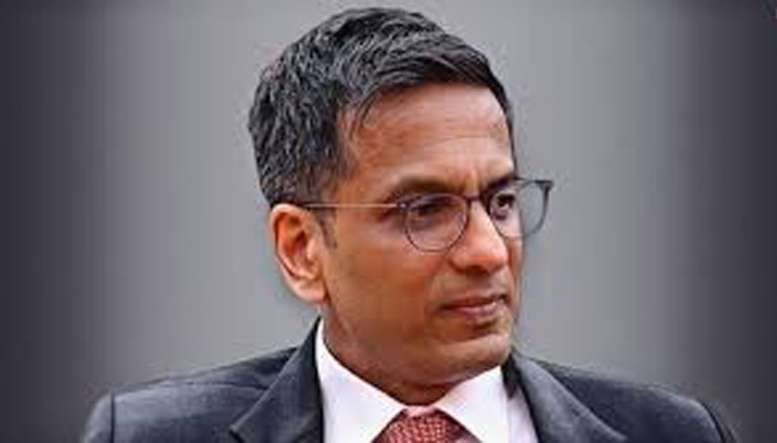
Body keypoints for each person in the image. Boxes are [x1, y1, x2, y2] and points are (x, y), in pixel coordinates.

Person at [82, 7, 735, 443]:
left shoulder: (673, 432)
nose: (489, 252)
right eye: (425, 210)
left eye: (501, 201)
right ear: (302, 249)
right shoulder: (150, 434)